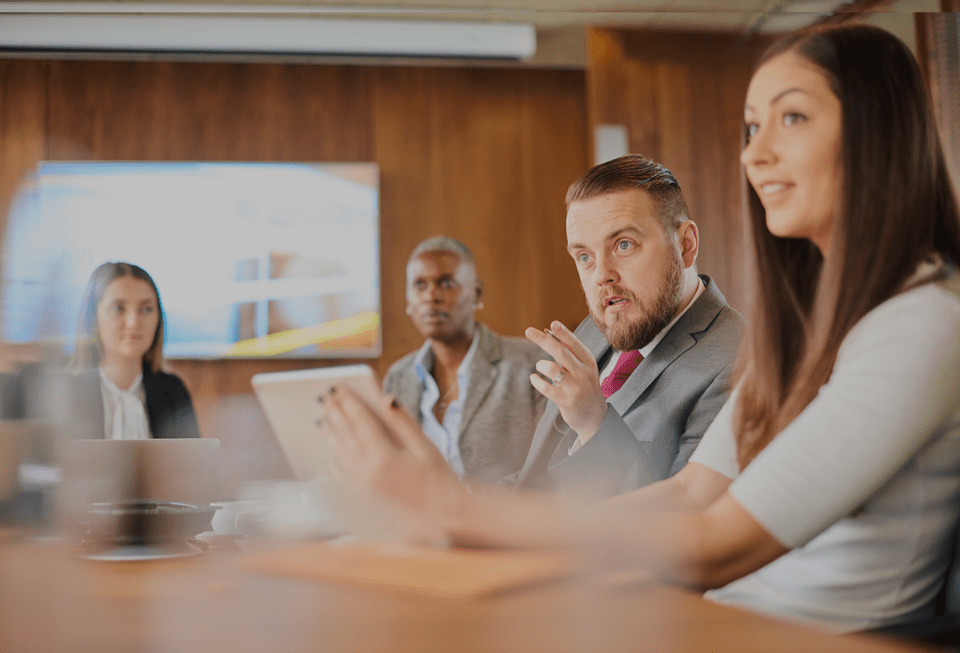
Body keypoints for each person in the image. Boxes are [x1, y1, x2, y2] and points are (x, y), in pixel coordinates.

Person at [322, 22, 960, 634]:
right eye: (752, 126)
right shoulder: (809, 327)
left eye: (792, 117)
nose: (755, 153)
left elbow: (712, 545)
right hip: (715, 618)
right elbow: (689, 496)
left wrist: (456, 512)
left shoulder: (921, 324)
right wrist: (468, 534)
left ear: (878, 134)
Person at [507, 155, 744, 500]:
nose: (601, 274)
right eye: (584, 256)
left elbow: (684, 530)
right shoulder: (595, 328)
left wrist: (593, 423)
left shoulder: (741, 362)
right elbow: (536, 484)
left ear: (686, 245)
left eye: (623, 245)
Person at [383, 237, 547, 484]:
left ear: (477, 293)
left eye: (446, 283)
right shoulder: (397, 378)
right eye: (419, 285)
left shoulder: (531, 364)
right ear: (408, 299)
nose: (431, 296)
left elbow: (550, 467)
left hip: (507, 520)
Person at [67, 261, 200, 440]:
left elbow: (193, 465)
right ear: (93, 320)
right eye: (118, 308)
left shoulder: (173, 393)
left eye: (146, 309)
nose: (133, 322)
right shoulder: (64, 392)